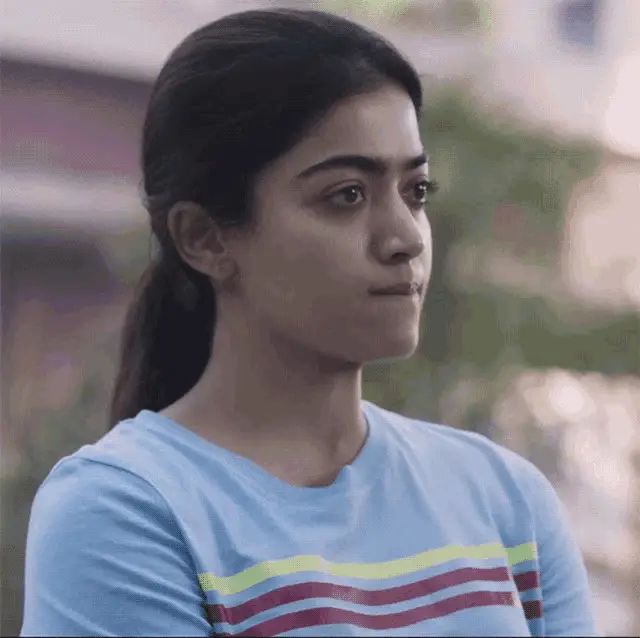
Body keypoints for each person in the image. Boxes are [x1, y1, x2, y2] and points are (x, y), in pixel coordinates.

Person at [21, 8, 600, 637]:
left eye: (416, 192)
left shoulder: (505, 500)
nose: (406, 238)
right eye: (346, 195)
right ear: (204, 237)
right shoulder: (126, 512)